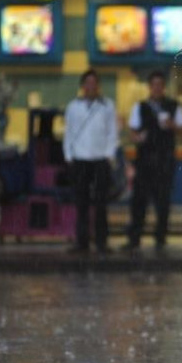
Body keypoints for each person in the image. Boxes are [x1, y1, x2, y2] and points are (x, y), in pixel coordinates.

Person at [121, 70, 182, 253]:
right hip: (144, 161)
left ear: (163, 87)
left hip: (165, 161)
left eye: (160, 85)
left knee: (163, 202)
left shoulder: (173, 106)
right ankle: (135, 237)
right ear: (149, 87)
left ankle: (160, 237)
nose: (157, 88)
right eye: (154, 85)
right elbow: (132, 132)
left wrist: (172, 125)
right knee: (139, 201)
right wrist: (138, 137)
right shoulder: (140, 107)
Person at [63, 69, 118, 255]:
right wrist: (68, 156)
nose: (91, 87)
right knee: (81, 203)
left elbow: (113, 132)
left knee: (101, 203)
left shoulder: (108, 106)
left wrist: (109, 155)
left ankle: (102, 242)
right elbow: (68, 133)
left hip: (101, 160)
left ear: (98, 86)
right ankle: (82, 242)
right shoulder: (73, 106)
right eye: (87, 83)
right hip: (79, 160)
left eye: (94, 83)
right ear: (82, 86)